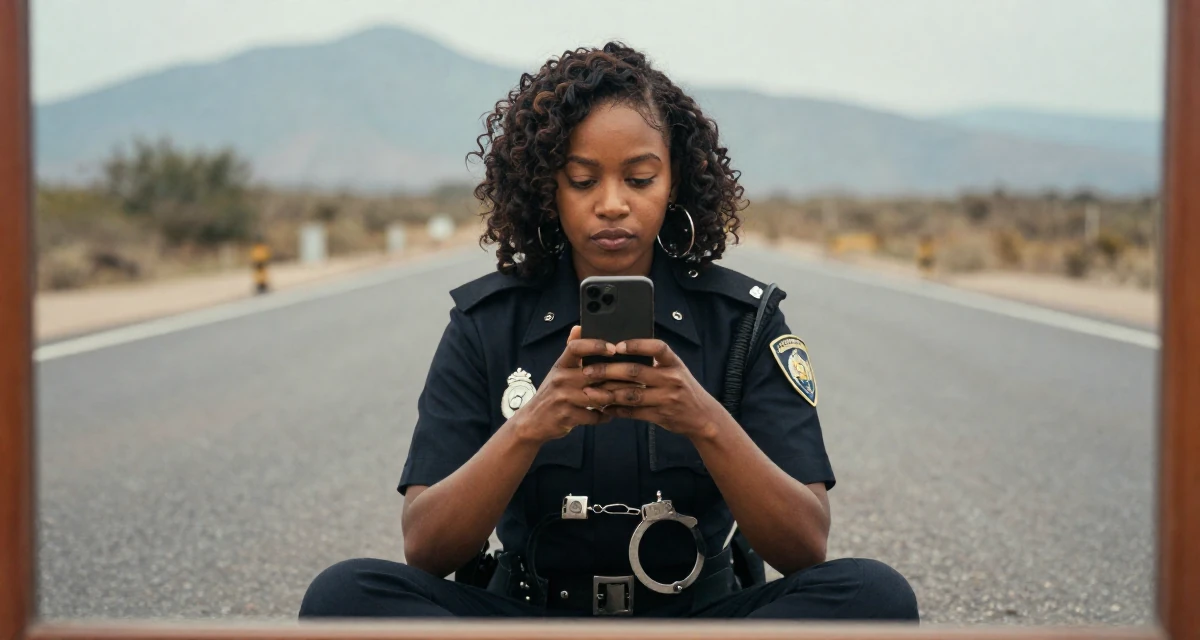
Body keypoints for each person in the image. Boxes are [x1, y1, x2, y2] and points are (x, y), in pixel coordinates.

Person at [299, 43, 918, 621]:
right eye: (583, 179)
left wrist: (704, 420)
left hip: (698, 622)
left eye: (640, 178)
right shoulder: (485, 323)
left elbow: (805, 548)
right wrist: (530, 425)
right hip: (530, 622)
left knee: (875, 595)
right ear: (547, 187)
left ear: (675, 181)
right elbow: (427, 550)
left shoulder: (744, 322)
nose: (613, 203)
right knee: (343, 596)